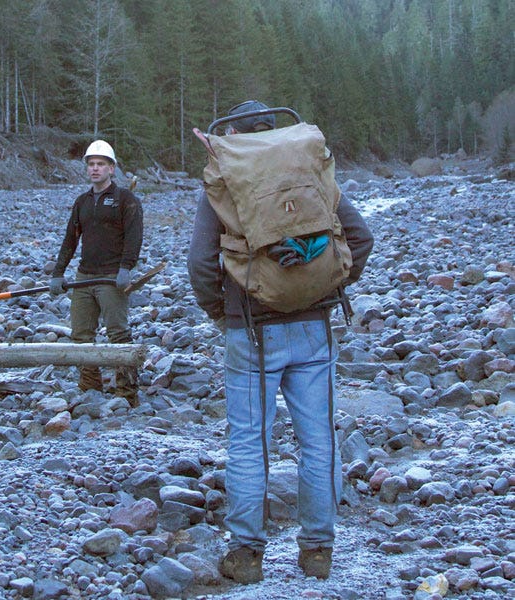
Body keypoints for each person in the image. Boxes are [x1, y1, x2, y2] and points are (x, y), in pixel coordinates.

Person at [187, 101, 373, 582]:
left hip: (250, 329)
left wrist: (222, 312)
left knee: (250, 441)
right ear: (274, 131)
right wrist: (326, 289)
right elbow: (360, 237)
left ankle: (247, 555)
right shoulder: (307, 168)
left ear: (232, 135)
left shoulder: (225, 180)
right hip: (314, 326)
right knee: (317, 440)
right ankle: (317, 552)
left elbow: (201, 266)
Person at [49, 140, 143, 404]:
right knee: (81, 334)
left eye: (101, 164)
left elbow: (134, 237)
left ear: (112, 169)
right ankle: (90, 386)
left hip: (112, 277)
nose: (95, 169)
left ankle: (126, 391)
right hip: (84, 277)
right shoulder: (82, 202)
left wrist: (126, 268)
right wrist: (59, 273)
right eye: (91, 164)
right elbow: (70, 239)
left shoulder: (126, 200)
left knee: (118, 333)